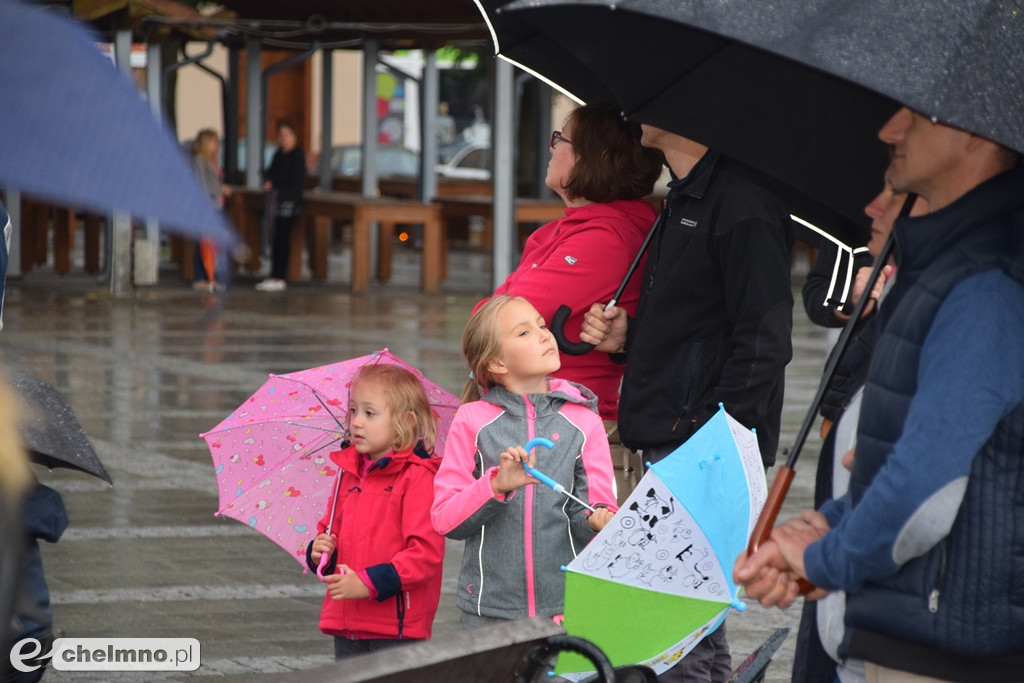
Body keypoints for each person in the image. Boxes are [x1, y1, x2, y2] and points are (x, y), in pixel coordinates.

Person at [734, 107, 1024, 683]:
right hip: (915, 630)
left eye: (915, 116)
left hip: (946, 650)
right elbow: (950, 467)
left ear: (975, 132)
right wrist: (827, 527)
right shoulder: (943, 279)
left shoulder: (983, 288)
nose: (890, 131)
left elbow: (926, 488)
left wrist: (822, 556)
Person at [579, 125, 795, 682]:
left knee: (674, 633)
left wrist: (718, 442)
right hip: (673, 437)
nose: (632, 110)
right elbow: (696, 324)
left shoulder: (743, 203)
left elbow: (764, 341)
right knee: (689, 627)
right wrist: (630, 334)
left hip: (701, 449)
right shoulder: (683, 195)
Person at [482, 102, 662, 502]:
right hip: (551, 423)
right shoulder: (574, 229)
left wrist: (497, 310)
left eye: (561, 139)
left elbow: (491, 324)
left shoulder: (605, 239)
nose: (552, 148)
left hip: (572, 436)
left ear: (597, 158)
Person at [792, 185, 927, 683]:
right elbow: (819, 297)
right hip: (845, 429)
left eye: (894, 189)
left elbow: (927, 470)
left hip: (915, 611)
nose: (871, 205)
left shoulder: (964, 293)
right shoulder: (872, 242)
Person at [431, 295, 617, 628]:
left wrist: (598, 521)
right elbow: (445, 519)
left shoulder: (584, 421)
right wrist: (496, 485)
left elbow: (594, 508)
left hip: (565, 610)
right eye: (524, 332)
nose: (545, 334)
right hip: (487, 611)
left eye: (542, 325)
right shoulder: (472, 420)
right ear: (497, 364)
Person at [306, 363, 446, 660]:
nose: (356, 422)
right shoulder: (348, 473)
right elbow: (330, 530)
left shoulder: (417, 477)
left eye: (370, 413)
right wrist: (319, 550)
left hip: (395, 627)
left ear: (404, 422)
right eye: (353, 410)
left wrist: (367, 583)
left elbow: (424, 554)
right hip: (346, 621)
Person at [256, 119, 306, 292]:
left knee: (283, 238)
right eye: (281, 135)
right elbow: (271, 172)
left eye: (287, 135)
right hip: (275, 202)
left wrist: (275, 181)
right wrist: (268, 178)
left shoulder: (298, 156)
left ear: (294, 136)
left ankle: (280, 276)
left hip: (289, 202)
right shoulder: (278, 154)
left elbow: (294, 178)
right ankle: (273, 274)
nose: (284, 139)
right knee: (275, 237)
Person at [190, 129, 233, 292]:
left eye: (216, 142)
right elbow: (202, 185)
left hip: (217, 205)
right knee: (204, 242)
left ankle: (211, 277)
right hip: (207, 207)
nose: (215, 145)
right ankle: (201, 277)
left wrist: (221, 189)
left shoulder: (212, 162)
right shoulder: (199, 161)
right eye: (211, 141)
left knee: (214, 244)